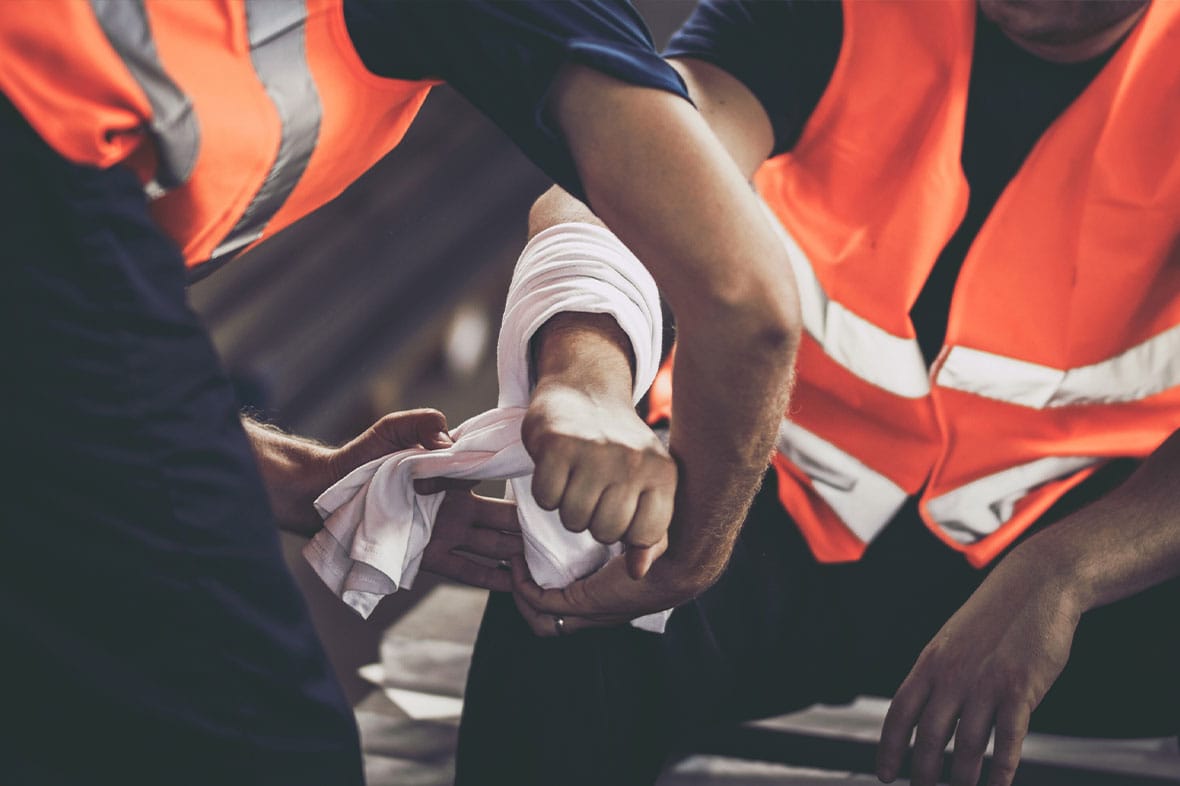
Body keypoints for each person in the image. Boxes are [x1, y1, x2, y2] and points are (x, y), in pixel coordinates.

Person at [0, 1, 801, 783]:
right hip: (37, 159)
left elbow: (68, 357)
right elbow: (745, 301)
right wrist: (689, 559)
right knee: (254, 746)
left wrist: (290, 476)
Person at [456, 1, 1180, 785]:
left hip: (1076, 517)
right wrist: (588, 381)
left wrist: (1065, 572)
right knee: (581, 555)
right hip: (776, 496)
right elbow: (626, 172)